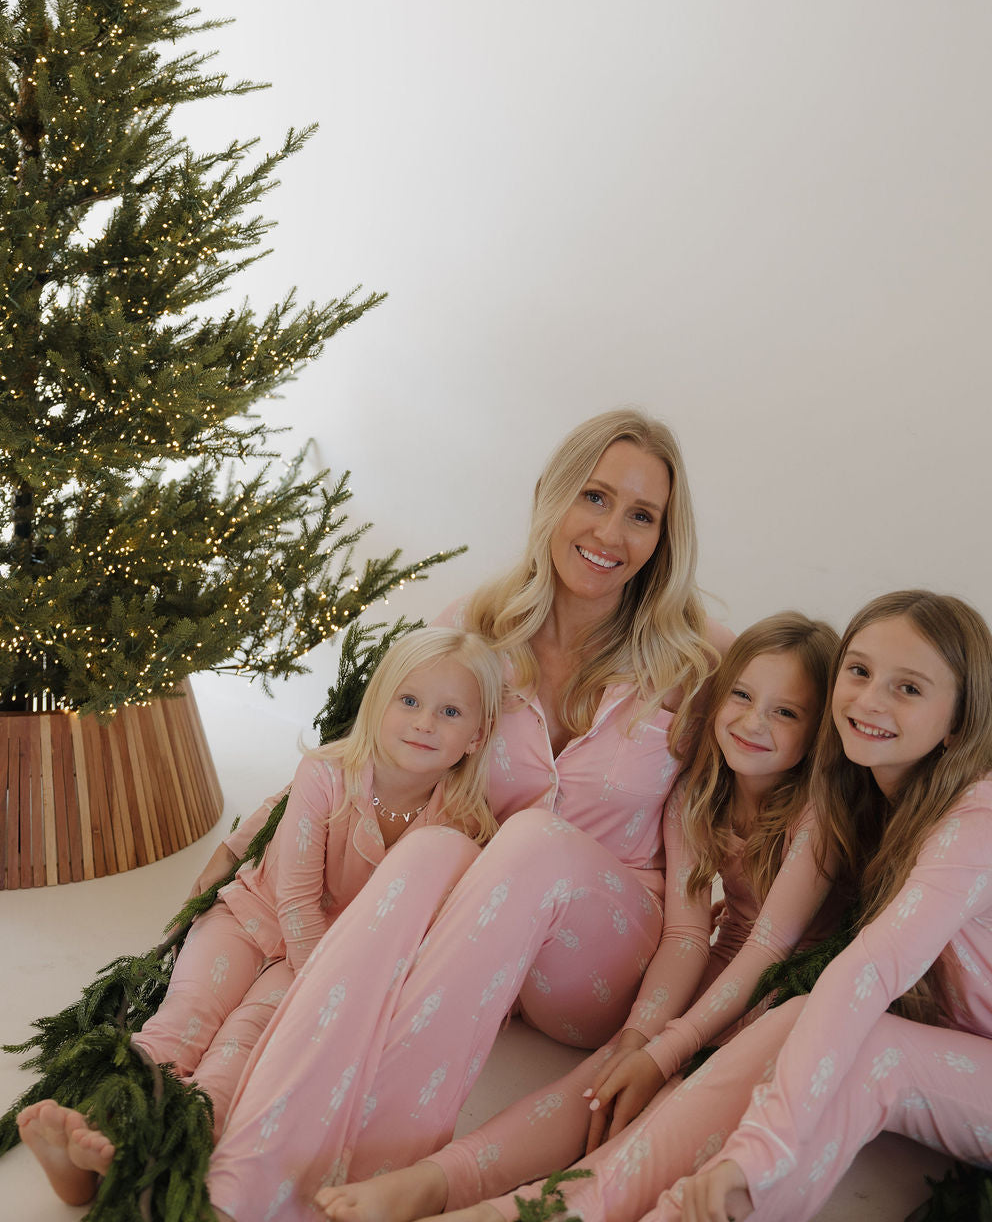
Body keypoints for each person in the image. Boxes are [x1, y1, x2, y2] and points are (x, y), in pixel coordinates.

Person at [196, 407, 729, 1220]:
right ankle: (249, 1182)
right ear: (552, 495)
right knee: (435, 847)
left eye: (642, 515)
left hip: (605, 959)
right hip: (481, 937)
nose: (611, 531)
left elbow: (694, 917)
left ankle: (373, 1181)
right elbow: (368, 756)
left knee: (531, 841)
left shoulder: (696, 665)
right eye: (594, 496)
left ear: (665, 536)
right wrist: (250, 839)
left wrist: (646, 1036)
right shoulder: (473, 631)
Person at [394, 589, 992, 1222]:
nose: (870, 699)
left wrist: (751, 1158)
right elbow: (697, 931)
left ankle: (611, 1206)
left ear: (960, 720)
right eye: (859, 671)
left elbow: (869, 968)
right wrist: (651, 1041)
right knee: (661, 1063)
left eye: (909, 688)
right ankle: (471, 1190)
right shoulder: (871, 789)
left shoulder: (986, 814)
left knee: (850, 1043)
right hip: (946, 1039)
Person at [313, 610, 844, 1222]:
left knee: (661, 1111)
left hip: (785, 988)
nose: (754, 722)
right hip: (718, 966)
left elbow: (769, 951)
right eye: (744, 697)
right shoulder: (702, 795)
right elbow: (688, 932)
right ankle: (432, 1181)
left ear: (818, 730)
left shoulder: (818, 817)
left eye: (786, 711)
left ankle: (486, 1207)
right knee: (602, 1081)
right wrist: (640, 1039)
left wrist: (667, 1050)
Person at [16, 625, 504, 1205]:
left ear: (478, 736)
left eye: (450, 711)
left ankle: (173, 1158)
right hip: (255, 915)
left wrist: (320, 985)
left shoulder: (463, 826)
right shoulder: (326, 774)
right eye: (409, 701)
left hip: (322, 956)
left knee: (242, 1048)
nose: (425, 722)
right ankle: (97, 1134)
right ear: (379, 703)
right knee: (187, 1016)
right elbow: (295, 896)